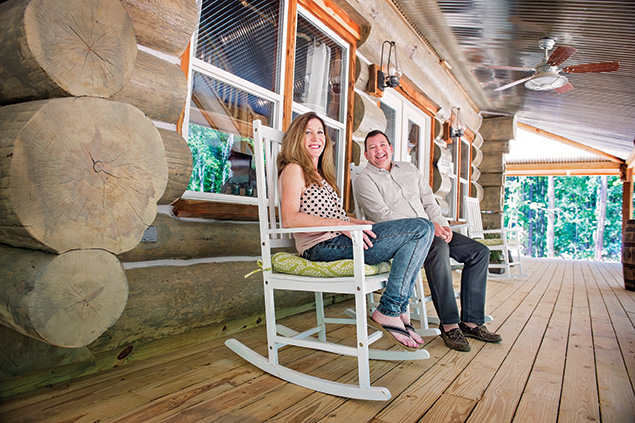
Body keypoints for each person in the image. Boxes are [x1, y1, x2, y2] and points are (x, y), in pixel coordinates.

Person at [278, 112, 435, 351]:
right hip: (319, 248)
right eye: (308, 132)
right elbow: (289, 219)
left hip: (340, 238)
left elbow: (335, 216)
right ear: (297, 138)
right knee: (420, 228)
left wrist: (357, 223)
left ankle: (398, 308)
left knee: (424, 227)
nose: (315, 137)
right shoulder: (293, 169)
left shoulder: (321, 175)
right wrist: (345, 226)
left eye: (320, 132)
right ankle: (390, 310)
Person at [354, 129, 502, 352]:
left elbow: (429, 201)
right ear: (366, 154)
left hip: (432, 229)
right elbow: (382, 217)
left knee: (478, 251)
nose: (379, 151)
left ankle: (471, 321)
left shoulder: (409, 169)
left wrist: (441, 224)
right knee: (438, 248)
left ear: (391, 148)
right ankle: (450, 325)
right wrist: (427, 228)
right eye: (372, 147)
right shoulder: (364, 180)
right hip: (407, 239)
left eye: (382, 145)